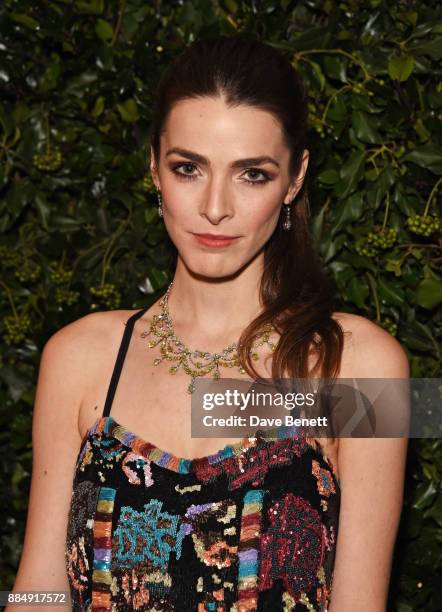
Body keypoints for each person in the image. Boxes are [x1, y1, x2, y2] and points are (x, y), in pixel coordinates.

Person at [9, 34, 409, 611]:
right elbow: (38, 594)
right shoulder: (78, 356)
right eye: (189, 168)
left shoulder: (363, 369)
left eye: (252, 174)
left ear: (295, 179)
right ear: (154, 166)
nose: (215, 206)